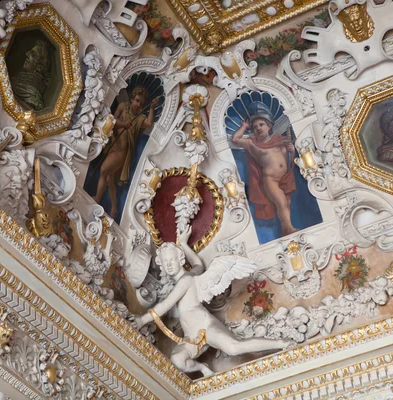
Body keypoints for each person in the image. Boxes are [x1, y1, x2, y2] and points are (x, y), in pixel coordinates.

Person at [134, 228, 290, 376]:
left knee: (234, 347)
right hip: (191, 338)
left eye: (172, 259)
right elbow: (198, 265)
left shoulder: (186, 280)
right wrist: (183, 244)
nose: (168, 264)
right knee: (177, 360)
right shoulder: (190, 276)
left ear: (180, 259)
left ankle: (281, 343)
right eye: (165, 261)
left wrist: (142, 320)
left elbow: (165, 305)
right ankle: (202, 367)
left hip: (206, 328)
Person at [232, 101, 297, 235]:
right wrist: (244, 126)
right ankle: (290, 228)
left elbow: (288, 158)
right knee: (282, 203)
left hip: (285, 177)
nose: (258, 128)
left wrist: (292, 150)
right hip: (270, 180)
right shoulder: (252, 144)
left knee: (287, 203)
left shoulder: (279, 139)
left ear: (269, 126)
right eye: (255, 127)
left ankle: (286, 230)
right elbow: (236, 139)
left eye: (261, 125)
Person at [93, 87, 158, 217]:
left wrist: (151, 108)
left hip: (121, 152)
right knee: (109, 180)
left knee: (104, 170)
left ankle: (97, 198)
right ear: (132, 98)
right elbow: (112, 119)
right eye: (137, 101)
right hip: (112, 144)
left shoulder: (139, 118)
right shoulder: (123, 106)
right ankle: (114, 208)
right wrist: (123, 123)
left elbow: (149, 123)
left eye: (141, 103)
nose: (138, 105)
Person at [10, 40, 51, 111]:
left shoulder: (33, 97)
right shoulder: (13, 82)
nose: (27, 54)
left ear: (39, 67)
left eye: (33, 54)